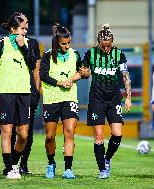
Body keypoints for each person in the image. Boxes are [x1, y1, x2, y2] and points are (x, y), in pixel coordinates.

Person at [0, 12, 36, 179]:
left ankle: (14, 162)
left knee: (23, 134)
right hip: (5, 92)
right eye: (23, 27)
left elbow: (32, 65)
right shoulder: (0, 44)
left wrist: (23, 46)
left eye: (26, 27)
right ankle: (9, 168)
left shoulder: (30, 43)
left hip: (24, 92)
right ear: (13, 29)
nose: (25, 30)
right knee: (7, 132)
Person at [40, 23, 89, 179]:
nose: (67, 46)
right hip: (52, 98)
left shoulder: (75, 55)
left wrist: (84, 73)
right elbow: (43, 75)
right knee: (50, 136)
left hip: (69, 98)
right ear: (56, 42)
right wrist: (60, 83)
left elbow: (83, 72)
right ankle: (51, 163)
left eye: (69, 43)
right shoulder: (47, 55)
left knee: (69, 133)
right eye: (64, 43)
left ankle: (68, 169)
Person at [83, 24, 132, 179]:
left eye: (109, 46)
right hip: (96, 98)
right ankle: (103, 169)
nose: (106, 49)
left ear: (112, 43)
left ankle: (107, 158)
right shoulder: (90, 53)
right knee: (99, 136)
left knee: (117, 134)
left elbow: (125, 76)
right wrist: (82, 73)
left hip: (114, 98)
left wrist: (128, 97)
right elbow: (83, 71)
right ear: (98, 43)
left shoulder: (119, 54)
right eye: (103, 46)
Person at [10, 14, 41, 175]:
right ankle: (11, 164)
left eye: (27, 23)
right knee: (12, 129)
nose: (26, 25)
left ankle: (24, 163)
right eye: (23, 22)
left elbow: (36, 69)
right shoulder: (6, 43)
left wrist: (36, 90)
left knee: (27, 130)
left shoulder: (33, 43)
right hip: (12, 91)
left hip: (29, 93)